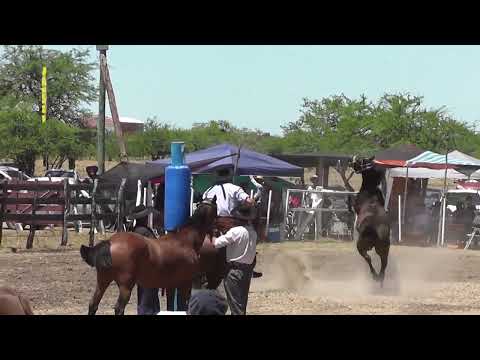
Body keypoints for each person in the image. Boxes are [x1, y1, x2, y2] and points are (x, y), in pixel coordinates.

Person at [203, 168, 262, 278]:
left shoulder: (208, 190)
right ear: (229, 175)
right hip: (229, 222)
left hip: (210, 222)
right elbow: (248, 201)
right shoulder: (235, 188)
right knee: (248, 235)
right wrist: (253, 201)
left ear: (217, 175)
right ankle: (249, 265)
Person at [211, 205, 257, 315]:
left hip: (234, 271)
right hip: (247, 270)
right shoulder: (253, 232)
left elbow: (216, 243)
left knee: (235, 305)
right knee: (241, 302)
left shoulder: (235, 231)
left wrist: (213, 234)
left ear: (238, 218)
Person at [127, 204, 162, 315]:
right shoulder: (145, 232)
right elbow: (155, 246)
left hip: (140, 270)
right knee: (148, 297)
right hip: (148, 269)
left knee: (144, 295)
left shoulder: (135, 230)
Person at [295, 175, 323, 241]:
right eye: (314, 179)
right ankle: (298, 237)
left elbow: (322, 196)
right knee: (306, 221)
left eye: (316, 179)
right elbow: (308, 196)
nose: (315, 180)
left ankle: (319, 238)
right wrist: (307, 204)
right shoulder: (309, 187)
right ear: (312, 180)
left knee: (319, 223)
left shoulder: (320, 188)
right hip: (312, 206)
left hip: (319, 206)